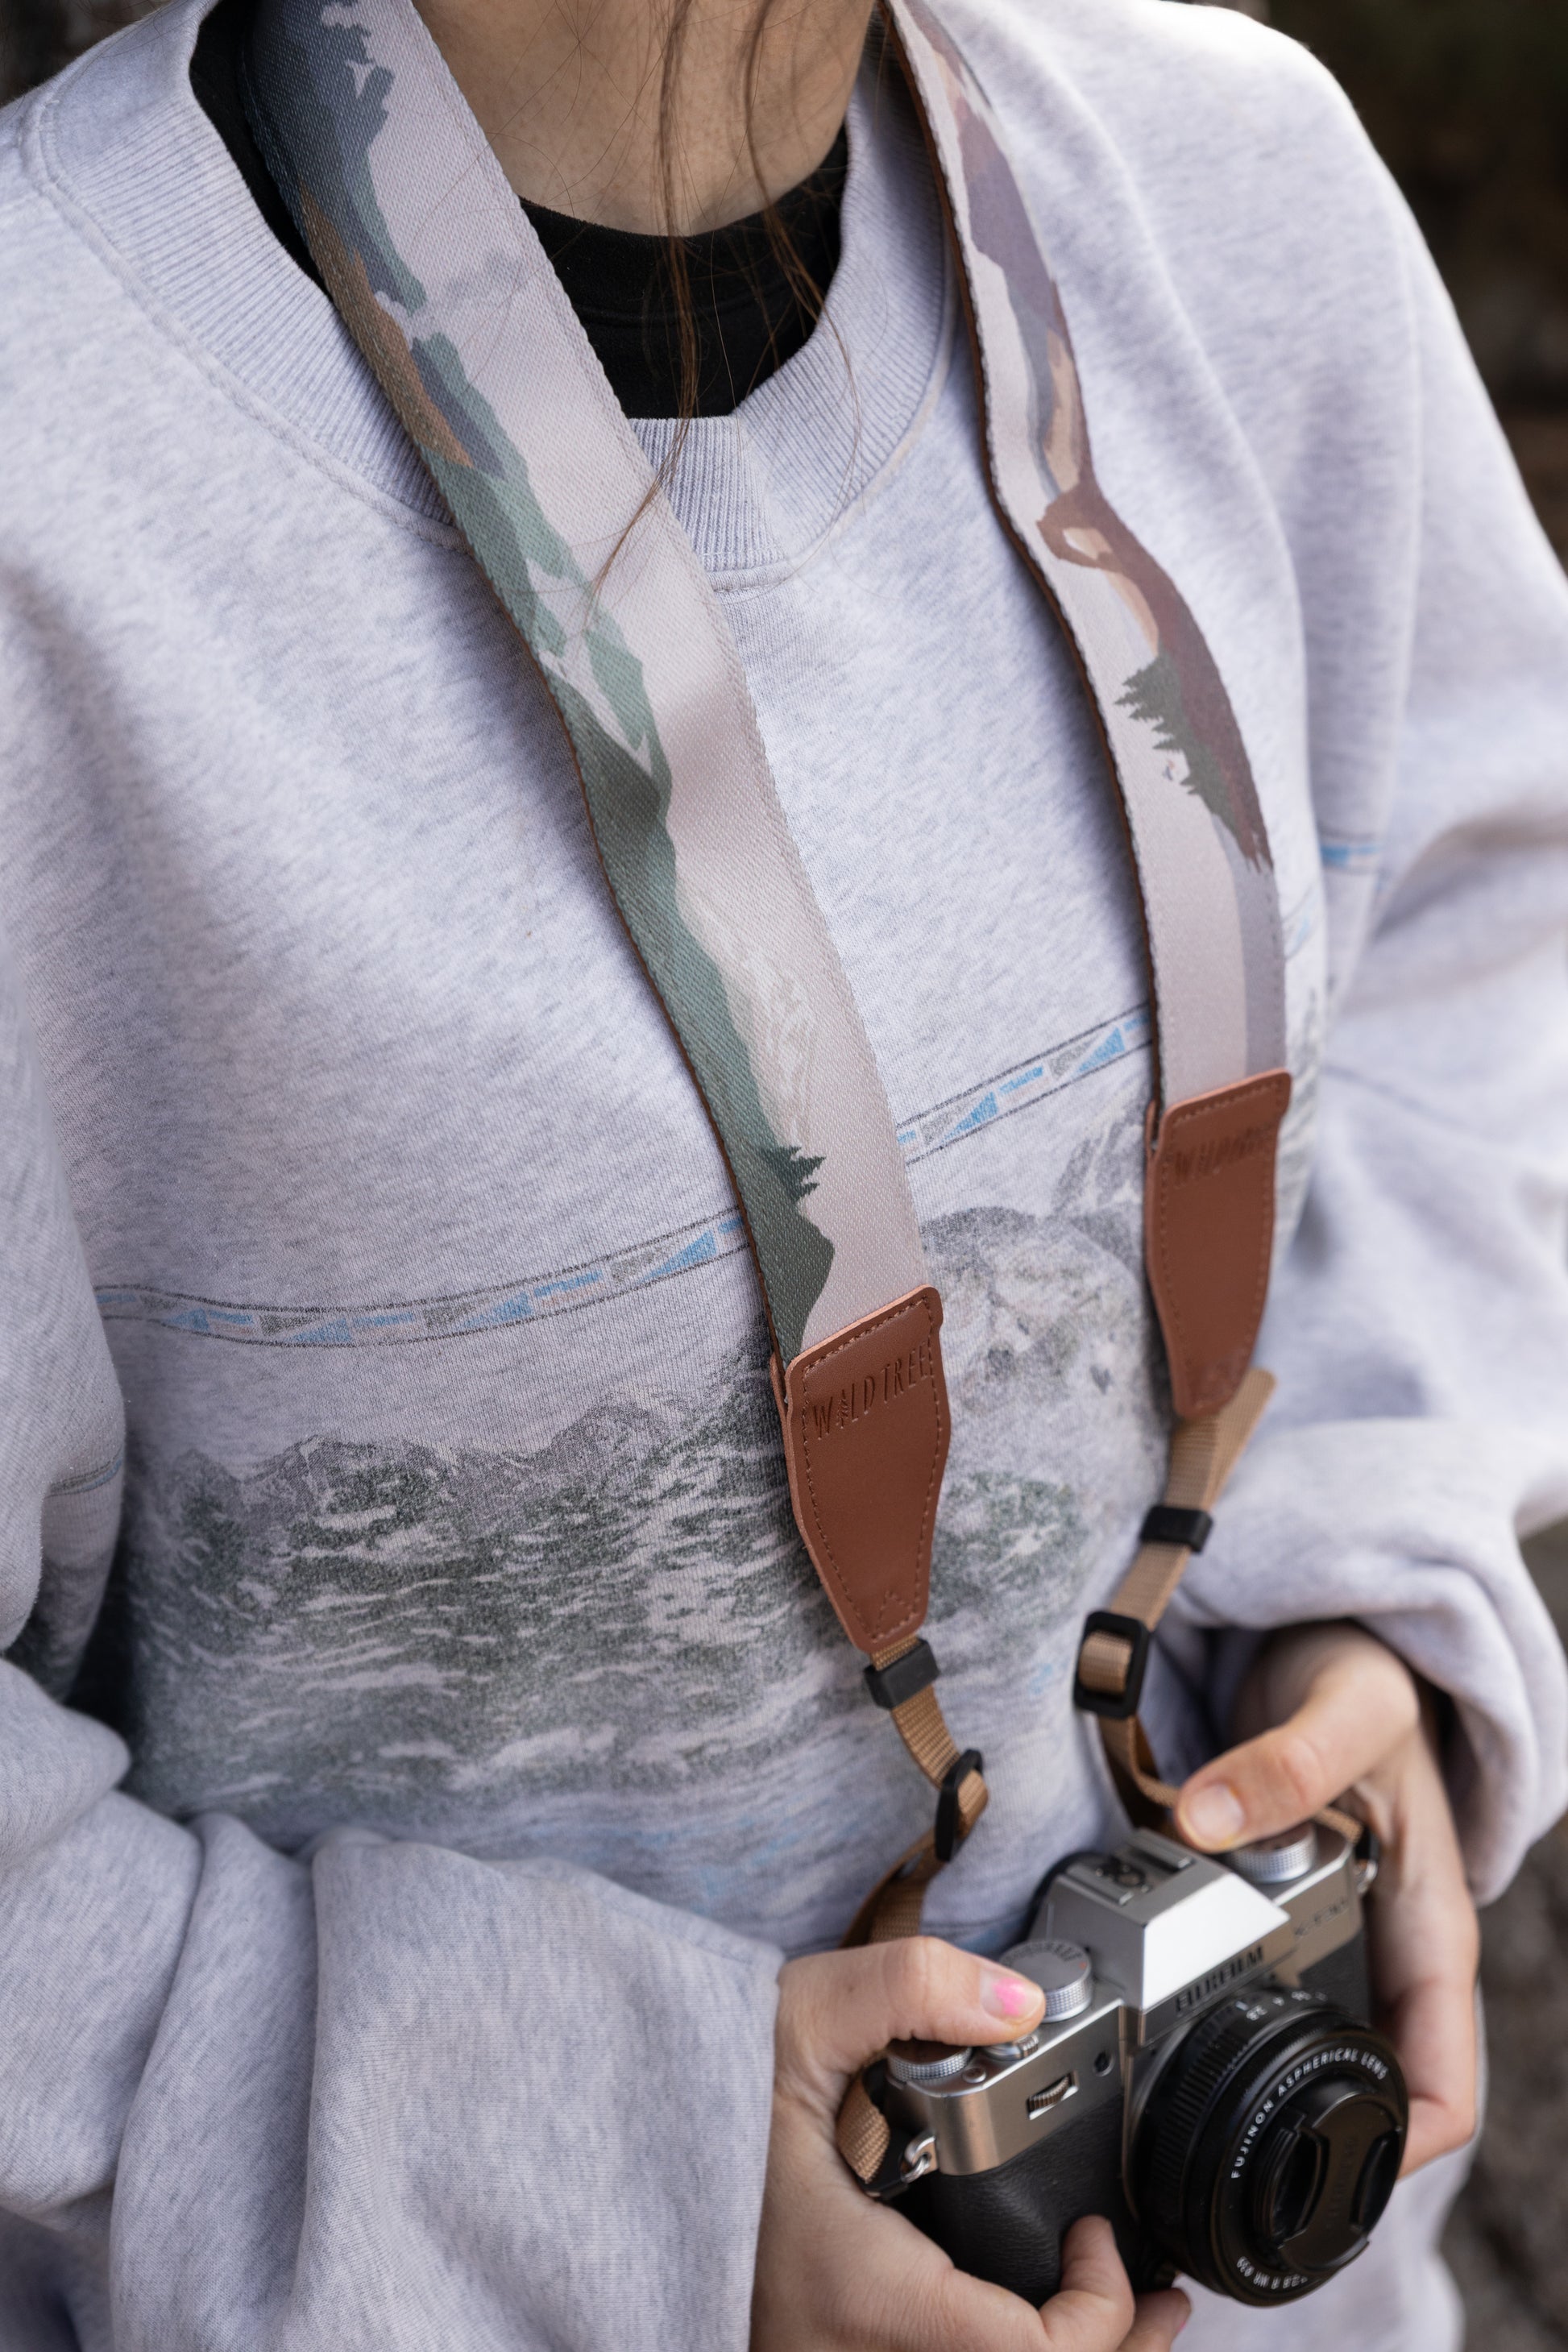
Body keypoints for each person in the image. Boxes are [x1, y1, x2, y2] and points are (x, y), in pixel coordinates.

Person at [0, 0, 1565, 2343]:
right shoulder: (52, 480)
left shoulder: (1236, 193)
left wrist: (1371, 1577)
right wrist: (594, 2168)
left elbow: (1481, 934)